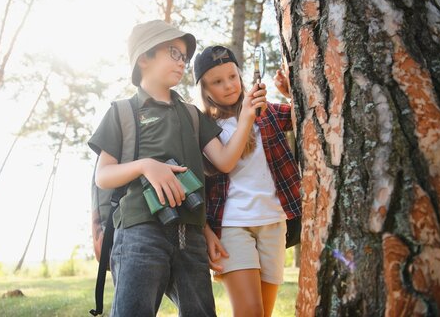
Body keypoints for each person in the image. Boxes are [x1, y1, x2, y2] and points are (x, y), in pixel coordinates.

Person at [88, 21, 267, 317]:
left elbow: (224, 161)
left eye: (184, 56)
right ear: (144, 58)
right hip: (139, 233)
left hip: (191, 237)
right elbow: (103, 176)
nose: (181, 61)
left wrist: (247, 117)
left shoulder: (192, 114)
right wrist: (147, 166)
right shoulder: (122, 112)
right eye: (173, 52)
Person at [194, 45, 301, 317]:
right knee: (249, 312)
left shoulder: (265, 112)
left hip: (274, 222)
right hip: (232, 225)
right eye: (217, 81)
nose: (229, 85)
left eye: (232, 76)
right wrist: (245, 116)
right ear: (205, 90)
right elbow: (218, 167)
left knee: (264, 312)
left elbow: (307, 116)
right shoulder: (204, 126)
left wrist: (290, 93)